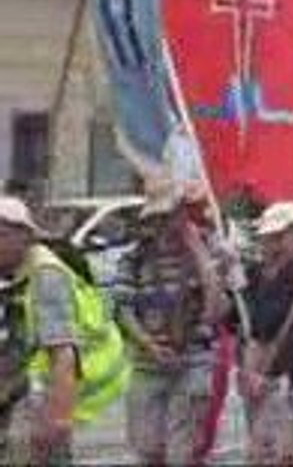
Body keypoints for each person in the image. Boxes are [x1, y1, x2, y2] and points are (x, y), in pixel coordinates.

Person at [0, 196, 129, 466]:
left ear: (24, 236)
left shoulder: (45, 275)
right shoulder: (15, 273)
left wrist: (57, 419)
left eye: (1, 234)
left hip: (42, 403)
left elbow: (63, 354)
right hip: (23, 396)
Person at [114, 180, 227, 465]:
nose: (165, 225)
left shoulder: (208, 250)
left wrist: (199, 252)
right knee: (147, 448)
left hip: (193, 360)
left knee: (182, 451)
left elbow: (217, 309)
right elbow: (124, 310)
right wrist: (149, 345)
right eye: (158, 218)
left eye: (171, 216)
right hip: (148, 362)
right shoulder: (135, 256)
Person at [237, 202, 293, 465]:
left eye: (281, 236)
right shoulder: (254, 275)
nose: (273, 245)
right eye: (268, 238)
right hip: (256, 376)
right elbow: (246, 326)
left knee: (279, 453)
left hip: (289, 379)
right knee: (259, 452)